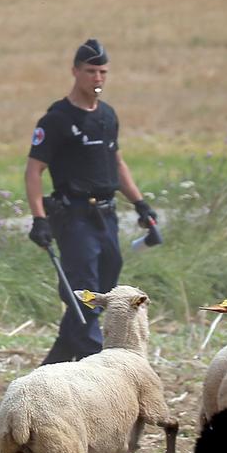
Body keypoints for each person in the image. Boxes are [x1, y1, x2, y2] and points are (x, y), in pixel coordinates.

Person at [25, 38, 158, 365]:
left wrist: (140, 204)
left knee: (101, 296)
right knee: (83, 294)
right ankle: (96, 368)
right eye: (91, 71)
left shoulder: (107, 116)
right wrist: (39, 220)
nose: (97, 78)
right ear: (75, 72)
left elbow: (117, 162)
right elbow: (34, 170)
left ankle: (52, 367)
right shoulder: (56, 119)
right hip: (74, 219)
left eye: (103, 72)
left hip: (106, 218)